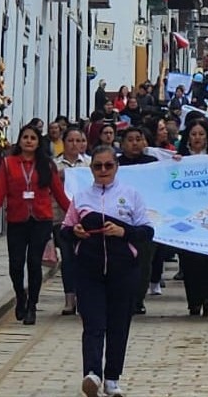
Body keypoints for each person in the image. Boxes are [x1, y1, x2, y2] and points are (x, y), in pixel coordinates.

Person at [62, 146, 153, 397]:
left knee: (118, 325)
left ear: (116, 167)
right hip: (89, 269)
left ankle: (112, 378)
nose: (103, 171)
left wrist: (124, 232)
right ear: (91, 169)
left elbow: (147, 232)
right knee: (93, 323)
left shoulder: (131, 195)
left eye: (108, 166)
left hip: (123, 269)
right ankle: (92, 373)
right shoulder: (81, 198)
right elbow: (65, 229)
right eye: (97, 166)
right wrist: (75, 232)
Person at [0, 124, 70, 325]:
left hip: (41, 219)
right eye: (25, 137)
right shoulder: (8, 164)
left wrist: (75, 213)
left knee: (33, 263)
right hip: (17, 219)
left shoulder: (47, 165)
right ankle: (20, 296)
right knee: (15, 264)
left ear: (39, 142)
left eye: (33, 137)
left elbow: (59, 194)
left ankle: (32, 305)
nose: (29, 141)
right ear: (20, 141)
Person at [174, 118, 208, 316]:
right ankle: (193, 300)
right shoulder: (179, 159)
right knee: (189, 261)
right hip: (187, 217)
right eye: (194, 134)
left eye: (201, 134)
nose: (197, 138)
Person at [116, 128, 158, 315]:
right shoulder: (115, 164)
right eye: (130, 140)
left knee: (144, 262)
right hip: (119, 220)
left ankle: (138, 299)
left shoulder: (153, 164)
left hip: (146, 221)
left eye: (138, 139)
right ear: (122, 143)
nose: (134, 143)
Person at [54, 127, 90, 315]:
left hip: (87, 219)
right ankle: (69, 298)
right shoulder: (55, 165)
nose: (75, 144)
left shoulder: (90, 165)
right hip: (62, 219)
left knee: (85, 259)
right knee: (68, 259)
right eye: (71, 140)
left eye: (79, 140)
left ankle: (84, 297)